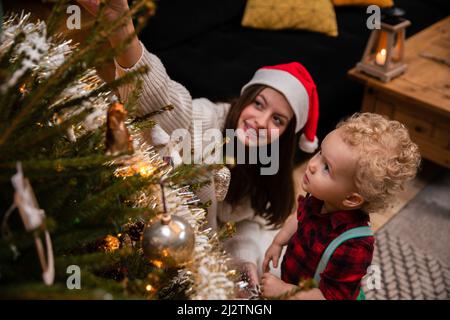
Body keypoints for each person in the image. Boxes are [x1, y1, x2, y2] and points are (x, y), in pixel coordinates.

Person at [77, 0, 320, 286]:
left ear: (285, 136)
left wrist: (243, 260)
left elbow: (245, 219)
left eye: (277, 120)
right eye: (258, 104)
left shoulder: (266, 165)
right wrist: (123, 29)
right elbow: (164, 98)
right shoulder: (206, 121)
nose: (260, 121)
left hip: (194, 251)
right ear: (243, 100)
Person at [261, 113, 421, 299]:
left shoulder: (354, 246)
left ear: (352, 199)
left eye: (327, 168)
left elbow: (330, 297)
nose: (312, 165)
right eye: (320, 153)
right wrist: (279, 241)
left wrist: (284, 291)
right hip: (294, 280)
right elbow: (300, 218)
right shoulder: (320, 198)